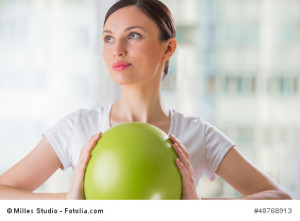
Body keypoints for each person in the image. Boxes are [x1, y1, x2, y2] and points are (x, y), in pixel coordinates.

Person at [0, 0, 291, 200]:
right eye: (109, 38)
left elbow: (280, 202)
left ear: (168, 48)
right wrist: (70, 201)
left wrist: (198, 210)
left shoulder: (197, 134)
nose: (118, 50)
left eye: (134, 36)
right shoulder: (78, 126)